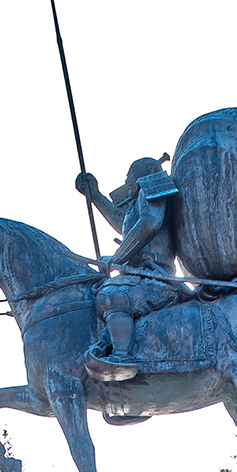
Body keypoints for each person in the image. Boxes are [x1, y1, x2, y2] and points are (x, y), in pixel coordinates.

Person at [75, 154, 184, 380]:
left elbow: (149, 223)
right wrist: (95, 196)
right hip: (138, 276)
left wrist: (118, 257)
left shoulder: (152, 188)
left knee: (113, 296)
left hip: (155, 277)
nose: (126, 183)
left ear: (142, 174)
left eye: (129, 177)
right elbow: (121, 221)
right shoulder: (137, 202)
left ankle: (122, 358)